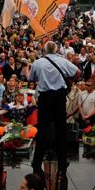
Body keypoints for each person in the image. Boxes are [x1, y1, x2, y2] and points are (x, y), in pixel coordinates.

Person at [29, 40, 80, 179]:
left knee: (43, 129)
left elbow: (31, 78)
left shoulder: (38, 63)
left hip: (45, 97)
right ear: (57, 50)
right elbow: (77, 71)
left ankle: (37, 161)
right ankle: (62, 161)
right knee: (61, 129)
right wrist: (69, 80)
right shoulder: (62, 61)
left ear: (44, 51)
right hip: (59, 97)